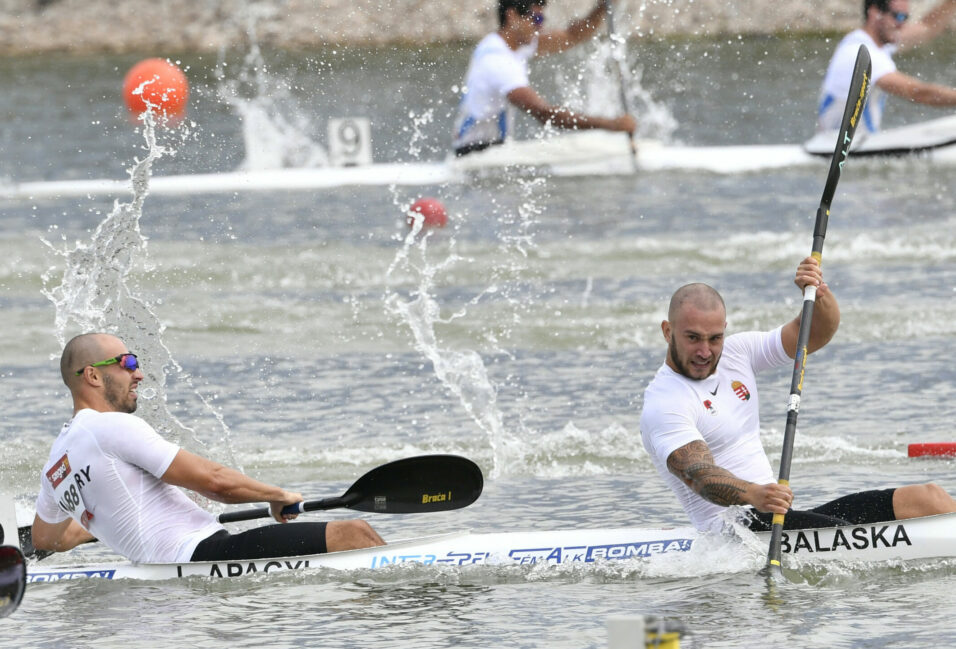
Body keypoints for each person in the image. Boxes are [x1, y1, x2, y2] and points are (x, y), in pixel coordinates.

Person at [640, 257, 956, 533]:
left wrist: (817, 292)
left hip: (779, 519)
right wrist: (753, 494)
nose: (705, 351)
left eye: (715, 338)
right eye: (693, 338)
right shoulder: (665, 402)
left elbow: (815, 333)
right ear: (668, 332)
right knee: (848, 532)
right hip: (736, 534)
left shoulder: (738, 352)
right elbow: (699, 474)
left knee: (928, 498)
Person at [31, 333, 385, 563]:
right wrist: (276, 494)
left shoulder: (55, 466)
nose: (139, 374)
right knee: (354, 534)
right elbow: (216, 483)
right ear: (93, 375)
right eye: (128, 363)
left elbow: (45, 538)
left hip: (168, 570)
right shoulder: (109, 425)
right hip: (201, 555)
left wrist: (105, 524)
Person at [453, 0, 637, 156]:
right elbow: (544, 114)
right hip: (474, 153)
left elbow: (572, 36)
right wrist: (611, 125)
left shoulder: (512, 45)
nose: (540, 25)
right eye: (536, 19)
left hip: (490, 150)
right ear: (512, 17)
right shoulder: (497, 62)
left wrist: (604, 6)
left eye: (542, 19)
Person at [817, 0, 956, 134]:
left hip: (856, 146)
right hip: (840, 152)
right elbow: (917, 93)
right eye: (898, 16)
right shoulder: (862, 54)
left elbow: (927, 27)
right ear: (874, 13)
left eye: (905, 17)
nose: (902, 24)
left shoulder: (869, 42)